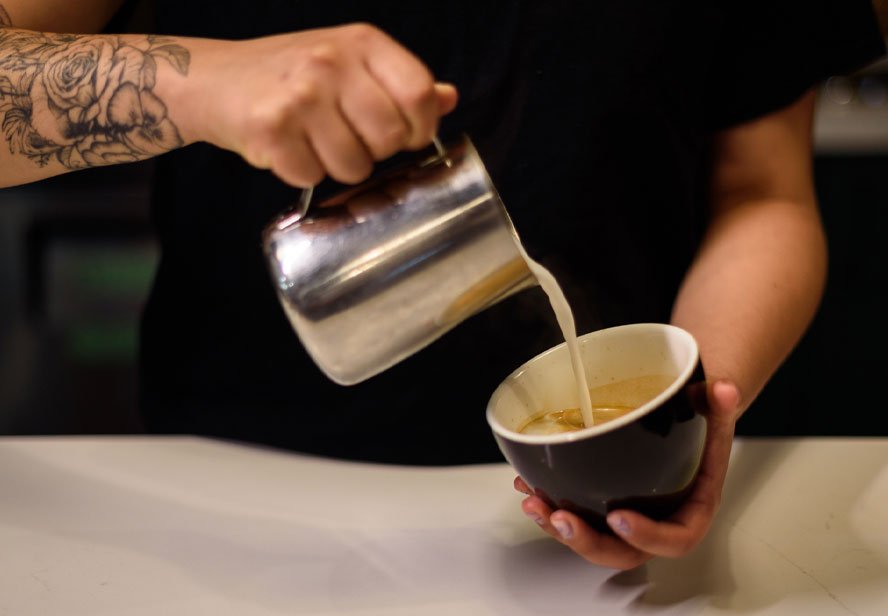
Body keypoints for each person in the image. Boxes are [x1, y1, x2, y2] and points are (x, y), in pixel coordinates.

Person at [0, 1, 883, 570]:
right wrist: (196, 85)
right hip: (222, 519)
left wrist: (687, 413)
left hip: (598, 571)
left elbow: (762, 194)